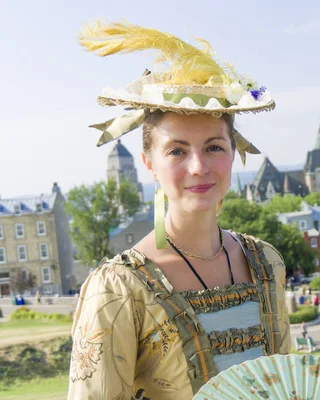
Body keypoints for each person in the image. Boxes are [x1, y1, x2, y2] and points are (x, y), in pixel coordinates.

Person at [68, 21, 290, 400]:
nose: (199, 166)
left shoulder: (267, 263)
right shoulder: (119, 289)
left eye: (214, 147)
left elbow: (290, 384)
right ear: (149, 162)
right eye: (177, 151)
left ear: (234, 153)